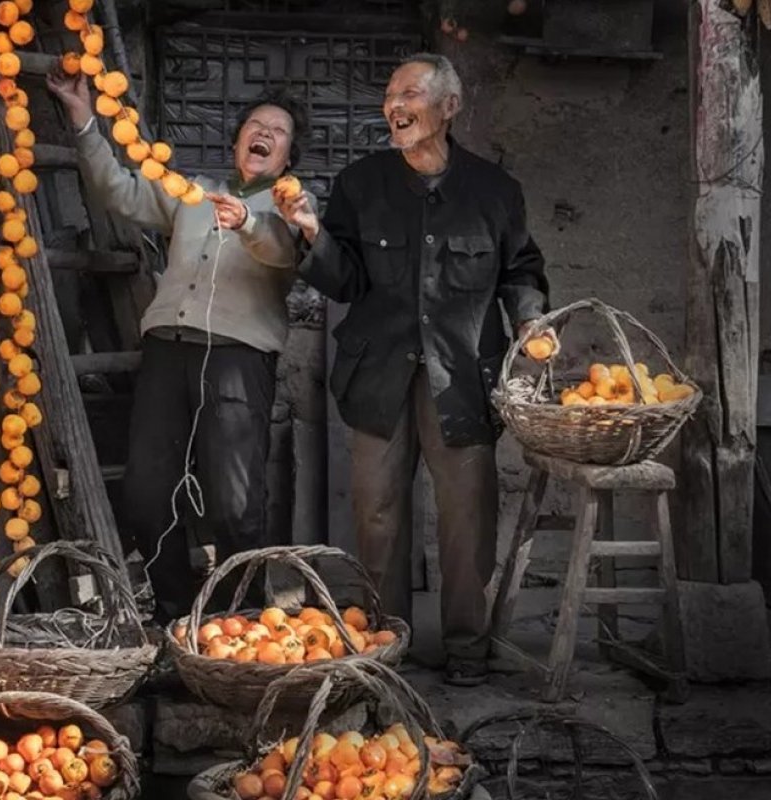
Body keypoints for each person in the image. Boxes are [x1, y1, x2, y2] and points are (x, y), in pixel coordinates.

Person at [275, 53, 557, 685]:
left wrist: (532, 321)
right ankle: (387, 646)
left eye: (409, 93)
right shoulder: (361, 184)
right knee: (376, 516)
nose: (393, 105)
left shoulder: (495, 192)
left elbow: (521, 272)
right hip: (378, 376)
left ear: (449, 107)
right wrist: (312, 235)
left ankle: (466, 649)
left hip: (461, 378)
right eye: (389, 94)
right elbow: (343, 277)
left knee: (466, 518)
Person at [47, 66, 313, 623]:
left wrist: (246, 220)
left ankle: (239, 621)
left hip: (238, 358)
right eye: (254, 125)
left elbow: (280, 251)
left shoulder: (291, 207)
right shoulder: (195, 194)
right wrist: (84, 122)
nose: (262, 132)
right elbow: (120, 192)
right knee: (146, 493)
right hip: (167, 350)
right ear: (239, 139)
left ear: (288, 155)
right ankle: (174, 611)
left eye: (277, 130)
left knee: (235, 505)